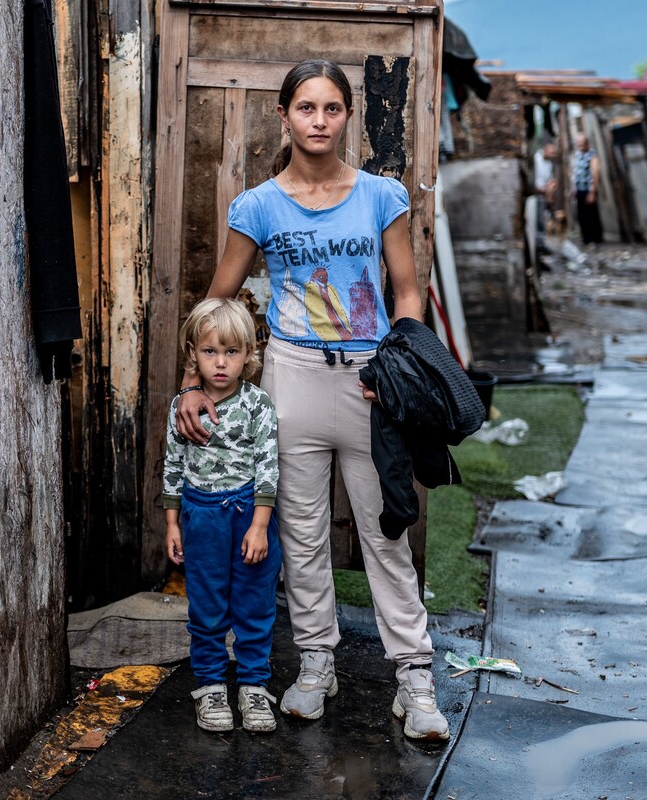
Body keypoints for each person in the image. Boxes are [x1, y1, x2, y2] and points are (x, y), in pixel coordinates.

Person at [174, 58, 450, 741]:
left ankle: (415, 680)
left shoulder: (381, 196)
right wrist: (189, 381)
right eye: (306, 108)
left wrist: (403, 359)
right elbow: (220, 301)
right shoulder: (258, 205)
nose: (319, 121)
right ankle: (316, 666)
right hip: (292, 376)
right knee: (298, 536)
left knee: (387, 528)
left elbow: (407, 289)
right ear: (285, 115)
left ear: (348, 115)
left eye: (331, 108)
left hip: (368, 378)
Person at [164, 298, 282, 734]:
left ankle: (253, 686)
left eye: (231, 352)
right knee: (207, 607)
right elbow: (172, 466)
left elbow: (268, 467)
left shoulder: (258, 406)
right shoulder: (183, 407)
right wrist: (173, 522)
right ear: (193, 352)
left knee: (254, 604)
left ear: (249, 355)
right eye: (210, 352)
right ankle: (212, 686)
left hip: (249, 515)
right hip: (202, 517)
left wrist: (259, 525)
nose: (220, 363)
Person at [574, 133, 603, 245]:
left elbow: (595, 174)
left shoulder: (592, 155)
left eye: (582, 144)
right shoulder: (578, 155)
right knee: (581, 216)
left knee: (591, 215)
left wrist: (592, 192)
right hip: (579, 190)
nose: (581, 147)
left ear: (587, 144)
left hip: (588, 190)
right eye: (579, 145)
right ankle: (586, 238)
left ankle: (595, 239)